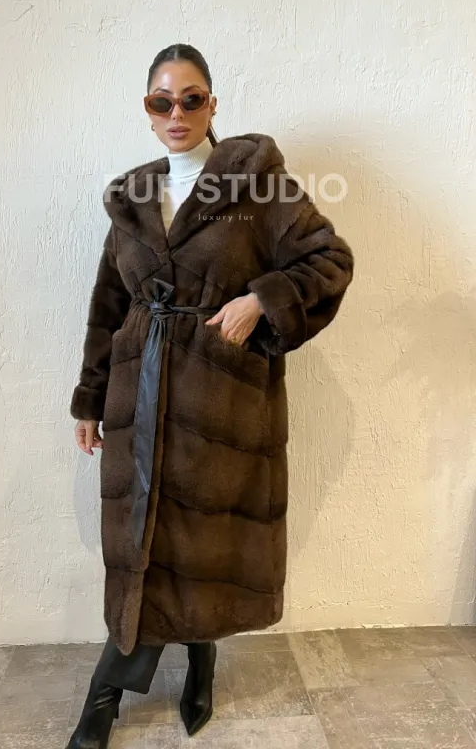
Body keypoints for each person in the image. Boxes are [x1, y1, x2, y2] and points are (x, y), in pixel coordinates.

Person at [66, 43, 354, 748]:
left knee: (197, 543)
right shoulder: (133, 198)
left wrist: (260, 299)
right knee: (144, 544)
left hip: (218, 399)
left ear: (212, 104)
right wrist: (90, 397)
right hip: (138, 397)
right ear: (147, 109)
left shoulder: (257, 185)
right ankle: (143, 683)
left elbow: (329, 260)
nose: (177, 113)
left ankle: (158, 679)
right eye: (161, 100)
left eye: (191, 99)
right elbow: (108, 304)